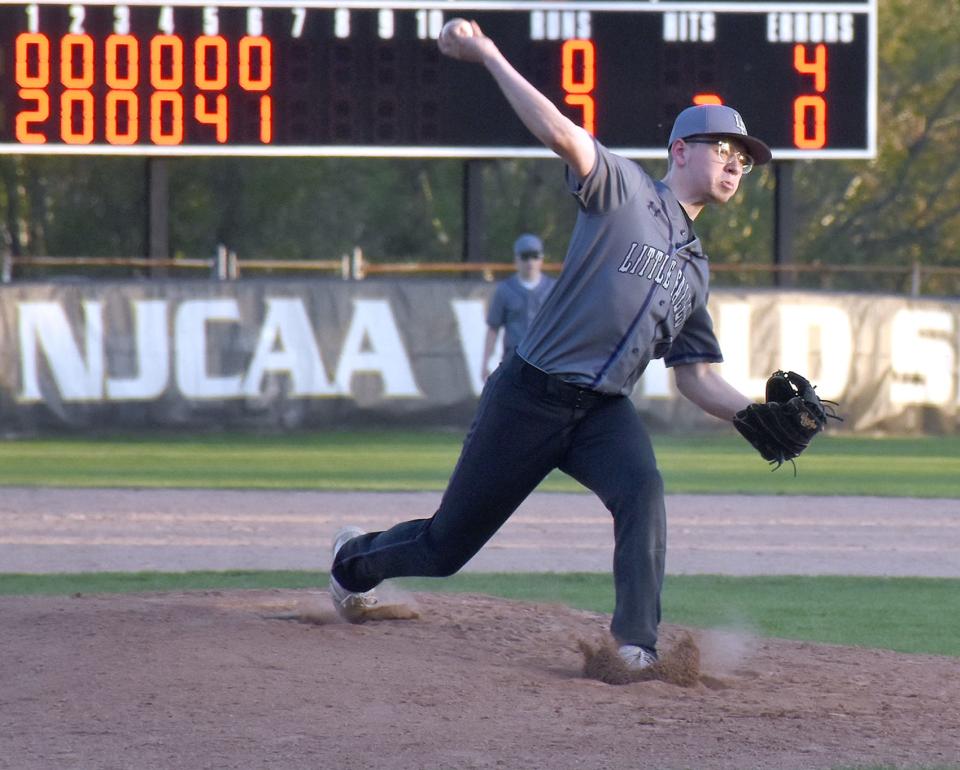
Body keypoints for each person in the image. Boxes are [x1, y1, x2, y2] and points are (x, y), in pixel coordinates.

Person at [330, 20, 772, 669]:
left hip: (602, 412)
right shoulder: (622, 188)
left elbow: (696, 375)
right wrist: (487, 54)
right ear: (680, 151)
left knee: (642, 490)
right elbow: (561, 133)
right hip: (531, 394)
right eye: (723, 146)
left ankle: (633, 647)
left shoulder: (696, 268)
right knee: (445, 548)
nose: (737, 161)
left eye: (744, 157)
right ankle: (352, 562)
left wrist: (752, 415)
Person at [481, 233, 557, 381]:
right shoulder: (505, 290)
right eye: (525, 256)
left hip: (545, 363)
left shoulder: (553, 289)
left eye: (535, 256)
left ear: (541, 258)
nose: (530, 262)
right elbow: (493, 329)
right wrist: (485, 363)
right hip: (513, 362)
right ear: (516, 259)